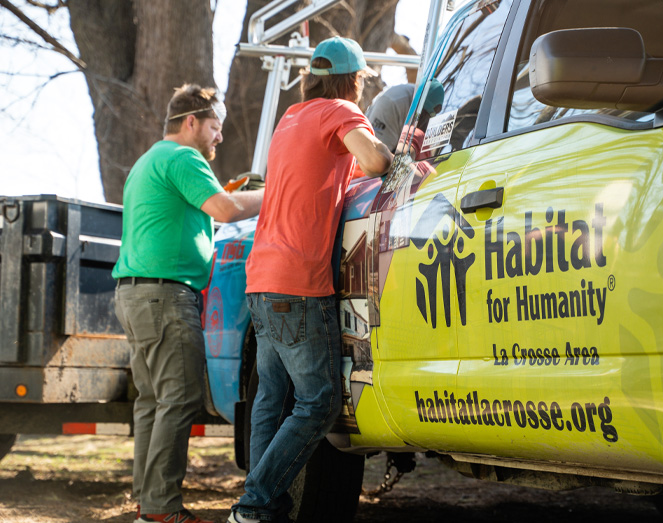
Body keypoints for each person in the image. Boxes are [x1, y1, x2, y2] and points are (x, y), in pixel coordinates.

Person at [230, 37, 394, 523]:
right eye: (362, 80)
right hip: (300, 282)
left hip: (261, 277)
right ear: (353, 79)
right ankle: (255, 502)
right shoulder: (340, 111)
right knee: (320, 403)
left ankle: (259, 511)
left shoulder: (291, 118)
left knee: (270, 398)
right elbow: (376, 162)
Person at [112, 84, 264, 523]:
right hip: (165, 295)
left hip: (135, 292)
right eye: (215, 128)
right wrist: (278, 194)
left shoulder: (148, 160)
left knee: (152, 400)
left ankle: (147, 501)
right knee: (179, 399)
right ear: (191, 122)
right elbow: (226, 208)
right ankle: (160, 510)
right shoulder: (183, 158)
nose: (219, 137)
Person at [364, 79, 444, 152]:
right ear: (417, 102)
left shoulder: (424, 104)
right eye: (423, 114)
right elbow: (376, 155)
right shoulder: (392, 103)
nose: (425, 122)